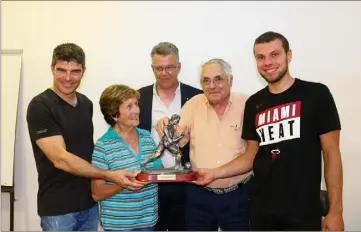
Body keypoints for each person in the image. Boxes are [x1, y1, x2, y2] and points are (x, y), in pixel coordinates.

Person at [192, 31, 344, 231]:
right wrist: (214, 173)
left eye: (275, 54)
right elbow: (251, 154)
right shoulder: (254, 103)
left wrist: (336, 211)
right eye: (260, 57)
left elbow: (331, 153)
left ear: (288, 55)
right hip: (261, 210)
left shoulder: (316, 94)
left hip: (303, 210)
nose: (267, 62)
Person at [26, 43, 144, 231]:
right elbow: (60, 159)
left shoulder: (85, 103)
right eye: (61, 70)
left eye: (75, 71)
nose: (68, 77)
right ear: (51, 69)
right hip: (59, 209)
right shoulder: (41, 106)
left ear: (83, 71)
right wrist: (109, 175)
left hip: (89, 205)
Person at [155, 58, 252, 231]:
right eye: (206, 81)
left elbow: (253, 152)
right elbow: (178, 136)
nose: (212, 85)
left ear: (230, 81)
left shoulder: (247, 104)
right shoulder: (193, 104)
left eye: (218, 79)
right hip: (199, 197)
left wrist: (216, 173)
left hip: (238, 196)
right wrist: (166, 126)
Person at [137, 42, 202, 231]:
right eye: (159, 68)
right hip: (150, 186)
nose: (164, 73)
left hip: (186, 184)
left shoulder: (197, 97)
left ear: (179, 67)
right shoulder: (138, 98)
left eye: (170, 67)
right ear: (152, 69)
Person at [91, 84, 162, 231]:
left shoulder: (146, 136)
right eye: (129, 106)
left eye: (136, 104)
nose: (136, 110)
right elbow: (97, 193)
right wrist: (124, 184)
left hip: (148, 222)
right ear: (114, 114)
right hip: (119, 226)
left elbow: (158, 171)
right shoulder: (103, 146)